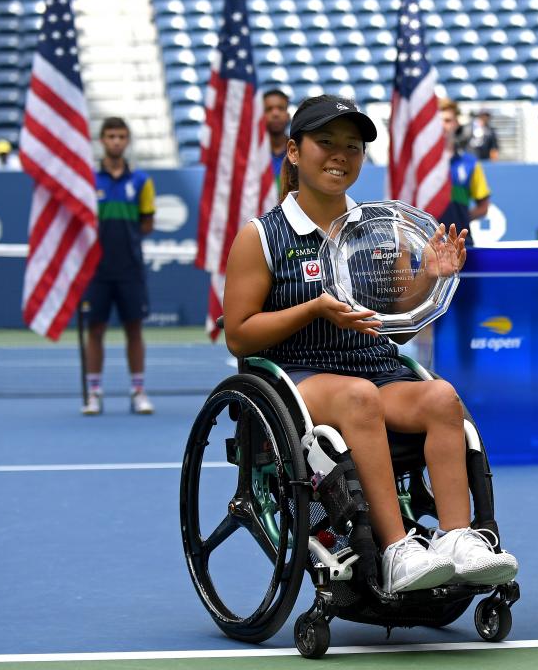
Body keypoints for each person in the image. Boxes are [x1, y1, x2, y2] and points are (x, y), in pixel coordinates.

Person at [221, 94, 518, 594]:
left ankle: (457, 539)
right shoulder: (263, 236)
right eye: (325, 143)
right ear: (293, 152)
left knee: (442, 398)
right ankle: (398, 550)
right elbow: (239, 334)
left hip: (377, 372)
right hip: (299, 378)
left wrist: (430, 277)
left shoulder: (380, 232)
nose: (340, 155)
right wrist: (313, 309)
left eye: (353, 147)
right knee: (358, 399)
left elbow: (396, 327)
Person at [82, 117, 156, 416]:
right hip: (95, 271)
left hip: (130, 270)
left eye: (121, 136)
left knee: (134, 330)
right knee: (95, 330)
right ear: (102, 140)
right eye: (110, 136)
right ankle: (94, 392)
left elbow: (147, 224)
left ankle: (138, 391)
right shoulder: (87, 179)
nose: (115, 141)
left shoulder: (141, 181)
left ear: (127, 141)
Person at [439, 98, 491, 245]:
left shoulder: (470, 163)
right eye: (438, 120)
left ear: (456, 123)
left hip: (461, 246)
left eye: (448, 120)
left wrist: (459, 218)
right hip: (426, 249)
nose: (443, 125)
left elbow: (483, 207)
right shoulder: (419, 164)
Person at [264, 89, 291, 184]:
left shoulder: (300, 152)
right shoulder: (252, 154)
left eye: (280, 108)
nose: (275, 114)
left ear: (288, 115)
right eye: (269, 109)